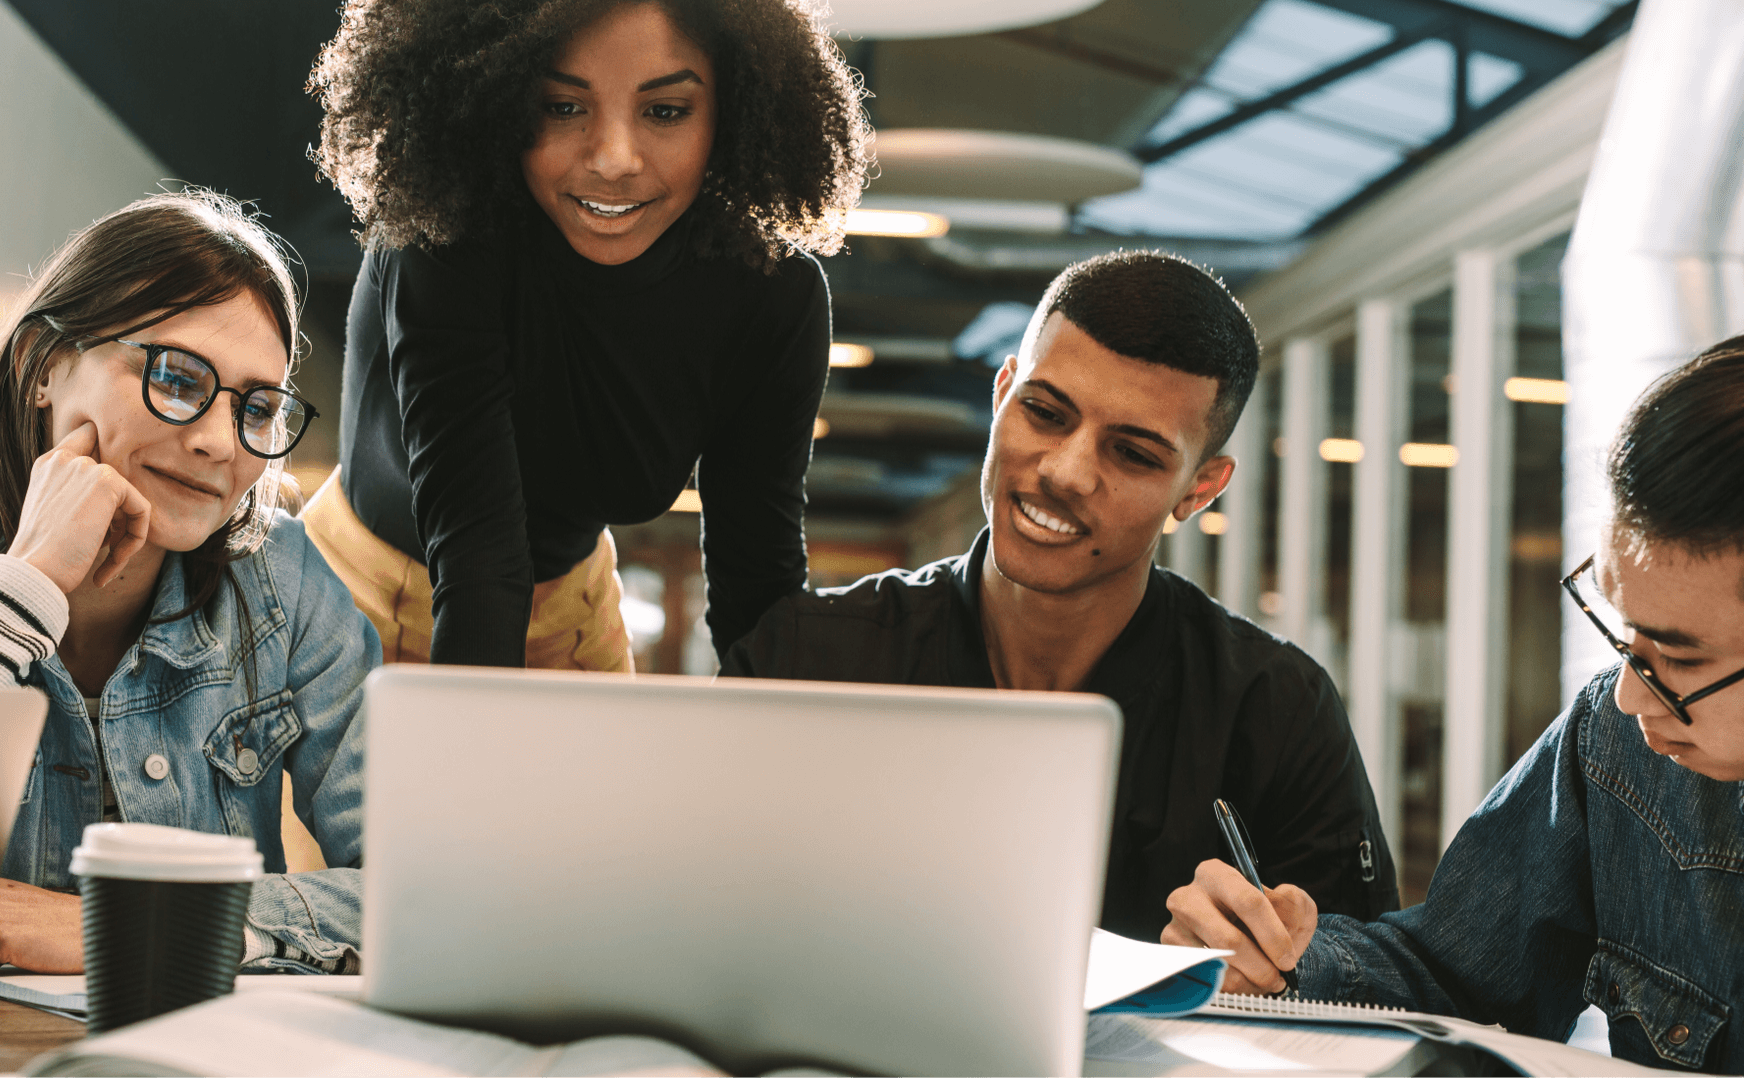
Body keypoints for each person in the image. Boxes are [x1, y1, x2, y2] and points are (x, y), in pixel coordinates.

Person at [723, 251, 1399, 942]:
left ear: (1198, 490)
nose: (1067, 473)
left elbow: (1369, 983)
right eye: (1045, 413)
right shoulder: (806, 659)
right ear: (1002, 395)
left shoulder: (1276, 711)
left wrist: (1266, 976)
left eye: (1133, 454)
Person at [0, 191, 378, 975]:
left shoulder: (283, 586)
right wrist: (23, 589)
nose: (221, 442)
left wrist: (129, 927)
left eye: (258, 406)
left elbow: (424, 890)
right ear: (42, 369)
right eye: (178, 378)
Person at [1161, 341, 1744, 1073]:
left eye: (1681, 659)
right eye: (1622, 634)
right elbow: (1458, 979)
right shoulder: (1616, 746)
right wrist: (1280, 962)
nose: (1629, 694)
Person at [305, 0, 870, 669]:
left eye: (665, 111)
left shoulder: (772, 298)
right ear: (502, 99)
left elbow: (758, 586)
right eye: (562, 107)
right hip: (341, 607)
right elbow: (479, 557)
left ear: (736, 109)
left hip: (572, 615)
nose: (614, 159)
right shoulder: (445, 234)